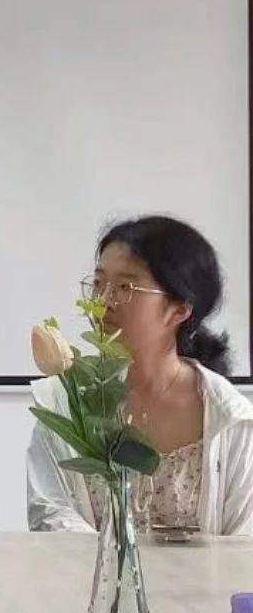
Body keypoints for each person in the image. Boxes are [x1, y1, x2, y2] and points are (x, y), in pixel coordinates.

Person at [27, 215, 253, 535]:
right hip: (85, 569)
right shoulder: (66, 402)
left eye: (125, 287)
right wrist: (112, 562)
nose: (103, 301)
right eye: (98, 283)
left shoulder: (232, 417)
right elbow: (49, 512)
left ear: (179, 308)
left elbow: (244, 539)